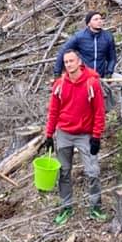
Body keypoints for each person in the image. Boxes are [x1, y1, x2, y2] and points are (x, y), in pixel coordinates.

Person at [44, 50, 107, 225]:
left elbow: (99, 112)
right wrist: (49, 135)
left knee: (92, 171)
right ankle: (66, 207)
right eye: (66, 62)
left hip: (85, 134)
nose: (69, 64)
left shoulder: (92, 83)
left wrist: (96, 136)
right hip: (64, 133)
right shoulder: (59, 84)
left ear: (79, 62)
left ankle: (95, 207)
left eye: (71, 61)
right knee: (63, 172)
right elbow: (53, 111)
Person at [54, 10, 122, 117]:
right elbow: (63, 52)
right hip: (85, 76)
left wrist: (109, 72)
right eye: (96, 19)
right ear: (89, 23)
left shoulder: (108, 37)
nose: (99, 21)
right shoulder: (79, 37)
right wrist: (57, 73)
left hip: (103, 74)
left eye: (101, 19)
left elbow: (112, 58)